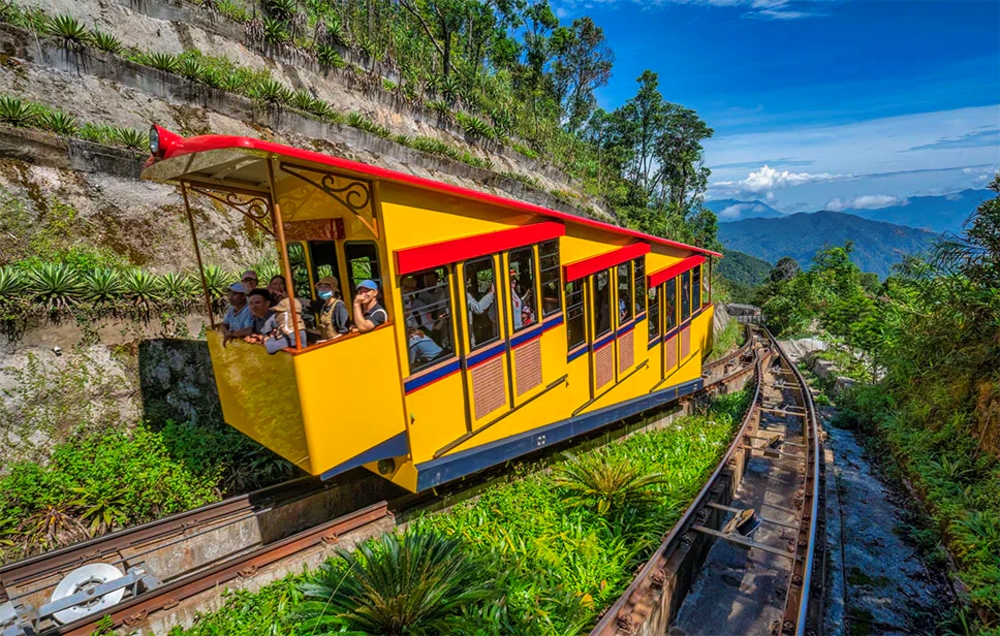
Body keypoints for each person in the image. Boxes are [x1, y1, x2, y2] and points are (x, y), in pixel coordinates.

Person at [315, 275, 349, 341]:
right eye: (320, 287)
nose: (323, 289)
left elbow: (344, 332)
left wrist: (329, 341)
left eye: (326, 287)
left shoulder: (339, 306)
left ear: (333, 290)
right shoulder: (323, 307)